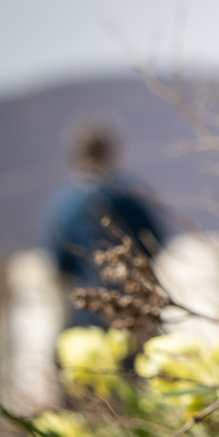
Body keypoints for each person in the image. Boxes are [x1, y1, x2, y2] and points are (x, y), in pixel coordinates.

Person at [44, 121, 165, 328]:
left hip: (85, 313)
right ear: (109, 153)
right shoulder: (127, 196)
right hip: (133, 312)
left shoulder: (63, 203)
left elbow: (56, 261)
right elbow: (154, 244)